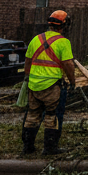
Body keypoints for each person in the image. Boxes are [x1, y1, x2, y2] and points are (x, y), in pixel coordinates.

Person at [22, 10, 77, 156]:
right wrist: (72, 82)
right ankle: (50, 148)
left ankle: (28, 148)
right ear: (65, 26)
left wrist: (28, 78)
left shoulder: (36, 39)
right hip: (53, 87)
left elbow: (27, 61)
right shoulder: (63, 42)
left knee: (32, 116)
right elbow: (68, 65)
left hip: (34, 86)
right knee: (53, 116)